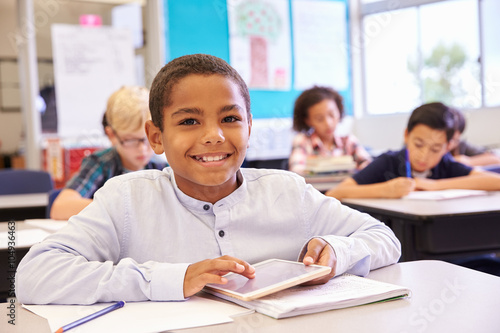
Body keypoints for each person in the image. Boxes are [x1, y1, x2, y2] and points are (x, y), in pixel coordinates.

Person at [16, 54, 401, 305]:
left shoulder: (287, 192)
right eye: (189, 121)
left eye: (230, 118)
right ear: (156, 137)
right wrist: (173, 279)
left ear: (249, 128)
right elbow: (34, 275)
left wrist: (337, 250)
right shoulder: (127, 200)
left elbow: (385, 238)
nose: (214, 135)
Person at [326, 102, 500, 200]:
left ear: (448, 146)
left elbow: (495, 182)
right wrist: (385, 190)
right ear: (407, 135)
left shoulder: (446, 165)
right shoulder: (389, 162)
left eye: (435, 149)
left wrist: (436, 186)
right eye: (418, 144)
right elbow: (335, 193)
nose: (424, 155)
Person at [50, 86, 167, 220]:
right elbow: (60, 208)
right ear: (112, 135)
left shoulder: (160, 167)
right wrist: (123, 208)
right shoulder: (101, 164)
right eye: (131, 140)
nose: (143, 148)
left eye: (149, 139)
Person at [288, 86, 372, 175]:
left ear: (339, 112)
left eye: (332, 115)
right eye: (319, 119)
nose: (328, 123)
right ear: (308, 120)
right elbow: (296, 172)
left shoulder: (349, 141)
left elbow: (369, 166)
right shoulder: (302, 141)